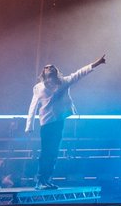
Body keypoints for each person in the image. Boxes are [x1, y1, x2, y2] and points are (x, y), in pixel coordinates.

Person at [25, 54, 106, 189]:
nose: (49, 68)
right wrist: (29, 126)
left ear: (55, 71)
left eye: (51, 67)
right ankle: (40, 181)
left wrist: (96, 63)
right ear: (43, 72)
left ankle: (47, 180)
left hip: (58, 122)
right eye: (46, 67)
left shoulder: (63, 82)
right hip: (46, 123)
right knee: (46, 152)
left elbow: (79, 73)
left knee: (54, 152)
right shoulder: (38, 87)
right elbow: (32, 106)